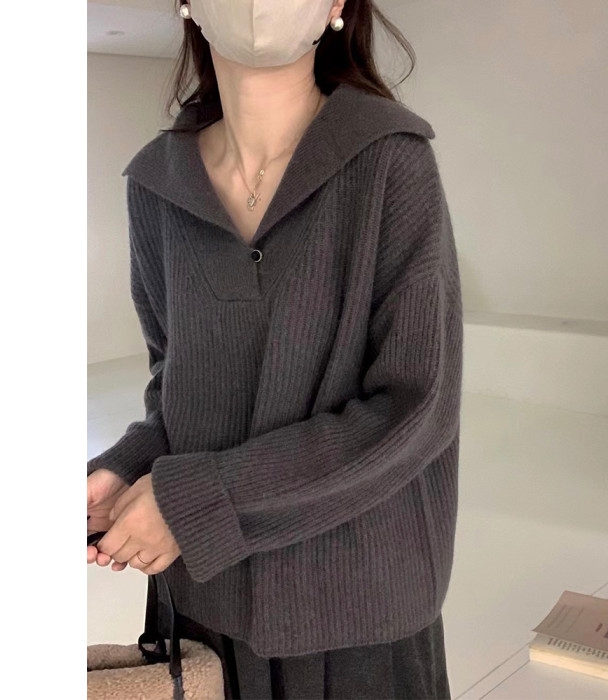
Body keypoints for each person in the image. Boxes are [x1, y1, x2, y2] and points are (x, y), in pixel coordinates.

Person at [87, 0, 463, 697]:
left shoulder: (391, 161)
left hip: (357, 606)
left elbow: (414, 410)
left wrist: (196, 502)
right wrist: (128, 464)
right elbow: (176, 382)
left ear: (338, 6)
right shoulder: (156, 184)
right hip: (206, 597)